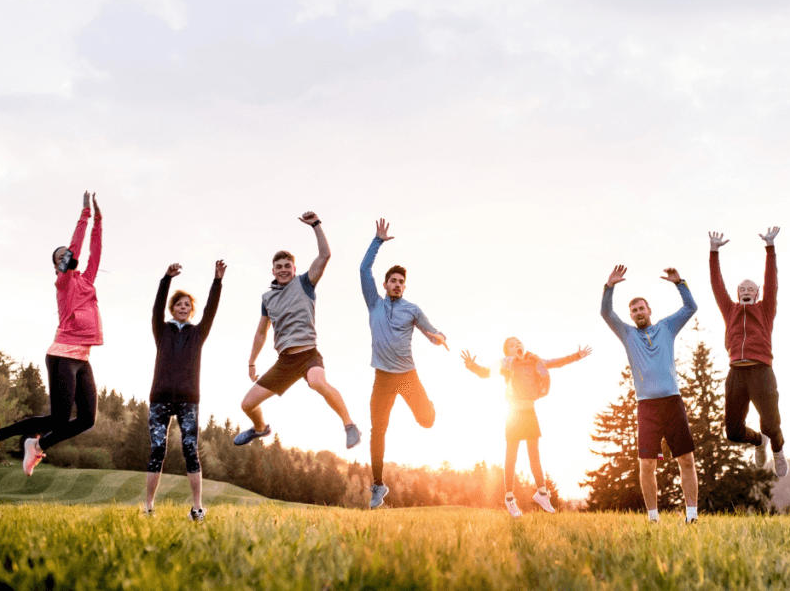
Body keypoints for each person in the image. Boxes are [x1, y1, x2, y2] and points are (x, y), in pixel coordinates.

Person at [0, 192, 103, 475]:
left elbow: (95, 253)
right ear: (58, 266)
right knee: (58, 417)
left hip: (82, 357)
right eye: (60, 257)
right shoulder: (64, 283)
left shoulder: (87, 282)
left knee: (86, 419)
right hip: (62, 355)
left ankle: (37, 446)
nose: (65, 258)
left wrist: (99, 221)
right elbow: (77, 249)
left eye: (65, 256)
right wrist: (85, 216)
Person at [234, 211, 361, 450]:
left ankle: (350, 425)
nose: (283, 270)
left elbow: (325, 255)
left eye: (287, 266)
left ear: (294, 268)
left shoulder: (304, 283)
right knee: (247, 405)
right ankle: (260, 429)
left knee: (317, 382)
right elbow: (261, 332)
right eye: (278, 266)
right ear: (272, 270)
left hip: (308, 355)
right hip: (284, 362)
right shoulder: (267, 298)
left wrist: (316, 225)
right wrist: (252, 361)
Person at [600, 264, 699, 523]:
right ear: (631, 316)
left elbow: (691, 308)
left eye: (641, 308)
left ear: (649, 310)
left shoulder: (667, 327)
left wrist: (680, 283)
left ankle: (692, 516)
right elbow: (606, 312)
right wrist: (609, 287)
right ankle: (653, 519)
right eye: (633, 310)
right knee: (646, 465)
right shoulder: (628, 334)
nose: (637, 312)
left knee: (686, 459)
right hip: (647, 407)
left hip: (672, 402)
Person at [361, 218, 448, 509]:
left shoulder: (413, 309)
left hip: (407, 376)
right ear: (385, 285)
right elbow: (364, 270)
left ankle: (429, 403)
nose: (397, 285)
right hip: (383, 379)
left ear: (404, 286)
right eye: (393, 281)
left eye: (401, 282)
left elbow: (431, 332)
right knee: (377, 430)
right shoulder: (374, 302)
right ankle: (377, 486)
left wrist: (439, 337)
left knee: (427, 421)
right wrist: (378, 241)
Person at [462, 337, 591, 517]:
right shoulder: (505, 363)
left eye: (519, 343)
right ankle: (510, 499)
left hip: (529, 413)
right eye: (513, 345)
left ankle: (542, 493)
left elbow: (556, 362)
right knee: (511, 458)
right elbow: (485, 373)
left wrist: (577, 356)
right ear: (508, 351)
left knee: (534, 456)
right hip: (513, 414)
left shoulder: (534, 361)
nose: (518, 345)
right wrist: (471, 365)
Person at [144, 260, 225, 521]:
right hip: (160, 398)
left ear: (191, 311)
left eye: (187, 305)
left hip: (188, 399)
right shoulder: (162, 330)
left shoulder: (197, 333)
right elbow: (156, 308)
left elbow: (211, 312)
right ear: (173, 308)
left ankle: (197, 508)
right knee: (158, 449)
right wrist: (166, 279)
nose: (182, 307)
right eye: (179, 304)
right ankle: (148, 507)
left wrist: (217, 281)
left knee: (190, 448)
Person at [709, 227, 788, 477]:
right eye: (741, 289)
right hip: (736, 374)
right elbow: (716, 284)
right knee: (732, 432)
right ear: (737, 295)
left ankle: (777, 451)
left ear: (756, 295)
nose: (745, 291)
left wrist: (770, 248)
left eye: (750, 289)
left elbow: (772, 282)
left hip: (761, 371)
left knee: (771, 423)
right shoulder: (729, 310)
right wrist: (713, 252)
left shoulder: (765, 310)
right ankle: (758, 442)